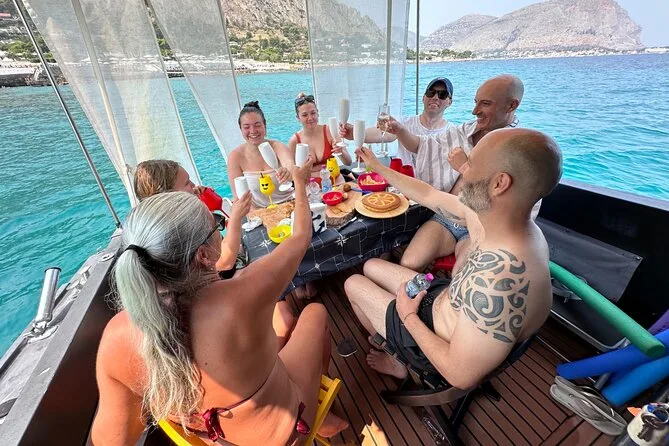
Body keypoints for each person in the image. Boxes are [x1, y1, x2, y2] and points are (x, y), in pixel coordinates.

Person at [91, 160, 348, 445]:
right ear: (203, 255)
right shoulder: (243, 292)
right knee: (314, 312)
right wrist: (299, 182)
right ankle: (320, 415)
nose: (220, 231)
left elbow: (111, 441)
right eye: (217, 225)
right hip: (286, 435)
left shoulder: (116, 336)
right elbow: (300, 236)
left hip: (218, 439)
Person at [345, 128, 562, 389]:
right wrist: (378, 167)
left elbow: (459, 375)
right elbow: (428, 195)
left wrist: (408, 316)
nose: (463, 171)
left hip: (432, 339)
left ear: (499, 183)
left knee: (352, 283)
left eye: (471, 164)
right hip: (447, 302)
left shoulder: (499, 280)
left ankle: (397, 360)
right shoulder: (505, 223)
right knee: (371, 265)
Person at [388, 74, 531, 273]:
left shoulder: (520, 149)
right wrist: (400, 130)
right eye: (476, 102)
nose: (475, 111)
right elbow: (424, 146)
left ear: (511, 106)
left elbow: (515, 210)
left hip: (480, 229)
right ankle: (421, 290)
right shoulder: (466, 130)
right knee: (409, 263)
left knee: (462, 275)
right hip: (447, 217)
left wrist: (464, 167)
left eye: (485, 104)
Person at [134, 159, 249, 274]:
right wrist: (235, 218)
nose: (194, 185)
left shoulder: (178, 219)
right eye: (187, 183)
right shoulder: (178, 234)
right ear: (171, 196)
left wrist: (202, 203)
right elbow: (223, 263)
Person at [340, 77, 453, 168]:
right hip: (403, 183)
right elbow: (381, 134)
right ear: (423, 98)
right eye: (431, 92)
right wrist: (355, 133)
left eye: (442, 94)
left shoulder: (451, 133)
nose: (435, 97)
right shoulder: (404, 123)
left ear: (449, 102)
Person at [228, 101, 295, 208]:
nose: (253, 131)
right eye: (246, 127)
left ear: (265, 126)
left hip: (290, 204)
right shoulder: (235, 157)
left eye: (257, 125)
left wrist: (288, 172)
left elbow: (290, 165)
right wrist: (258, 215)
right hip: (259, 213)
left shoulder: (277, 147)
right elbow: (239, 197)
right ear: (240, 129)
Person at [288, 92, 353, 182]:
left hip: (336, 181)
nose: (310, 118)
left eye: (313, 113)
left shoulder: (329, 131)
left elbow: (348, 162)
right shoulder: (294, 141)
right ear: (298, 118)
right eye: (304, 115)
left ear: (318, 113)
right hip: (311, 186)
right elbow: (292, 174)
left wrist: (340, 152)